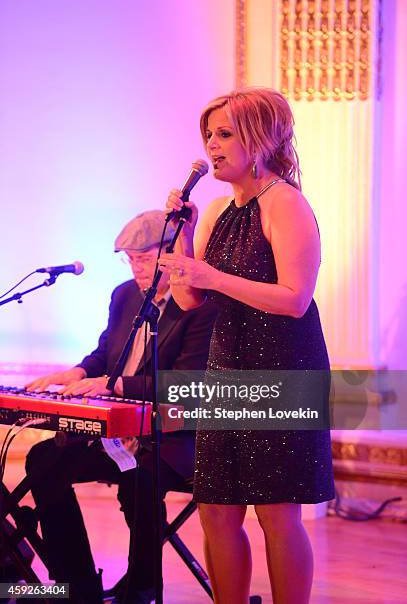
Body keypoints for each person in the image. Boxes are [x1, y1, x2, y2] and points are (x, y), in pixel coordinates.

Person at [159, 88, 335, 604]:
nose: (212, 145)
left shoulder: (285, 202)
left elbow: (295, 299)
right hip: (227, 365)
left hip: (283, 366)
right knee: (216, 508)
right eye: (208, 135)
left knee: (277, 511)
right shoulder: (217, 210)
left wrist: (210, 272)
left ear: (260, 138)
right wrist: (186, 239)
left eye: (225, 134)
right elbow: (190, 299)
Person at [25, 210, 217, 604]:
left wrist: (113, 386)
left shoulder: (199, 306)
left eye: (144, 259)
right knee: (43, 460)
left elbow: (186, 386)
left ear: (170, 254)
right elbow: (105, 354)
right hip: (118, 434)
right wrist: (75, 372)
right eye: (130, 260)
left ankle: (143, 586)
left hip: (174, 438)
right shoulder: (124, 295)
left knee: (139, 478)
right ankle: (77, 586)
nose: (136, 269)